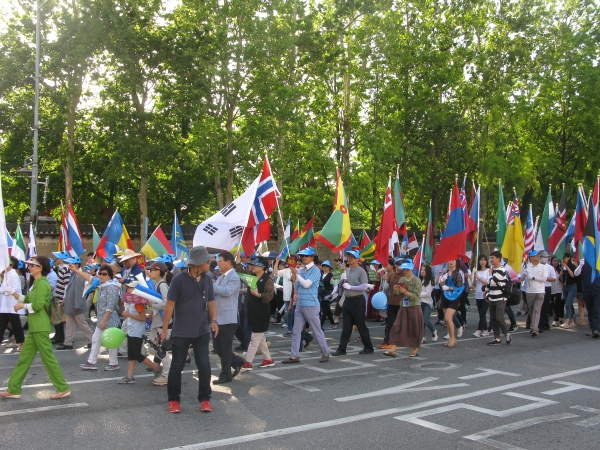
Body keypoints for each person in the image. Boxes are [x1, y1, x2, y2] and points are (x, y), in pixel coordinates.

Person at [0, 256, 70, 399]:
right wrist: (12, 292)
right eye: (29, 265)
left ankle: (63, 387)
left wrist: (22, 306)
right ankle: (13, 388)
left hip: (40, 326)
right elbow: (27, 299)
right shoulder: (37, 283)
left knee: (48, 359)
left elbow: (37, 305)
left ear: (40, 268)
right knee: (24, 359)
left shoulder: (42, 283)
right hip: (34, 327)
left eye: (32, 265)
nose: (29, 267)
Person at [160, 246, 218, 414]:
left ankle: (205, 399)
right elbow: (170, 305)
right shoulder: (178, 280)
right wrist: (165, 328)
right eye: (208, 261)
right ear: (198, 263)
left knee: (205, 366)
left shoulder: (207, 279)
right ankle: (173, 400)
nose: (210, 263)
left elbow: (212, 301)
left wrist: (213, 320)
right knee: (177, 366)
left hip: (202, 329)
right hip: (181, 330)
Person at [282, 247, 330, 364]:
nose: (303, 258)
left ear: (312, 257)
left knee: (317, 329)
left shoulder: (315, 270)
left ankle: (325, 352)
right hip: (300, 304)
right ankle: (294, 355)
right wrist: (294, 280)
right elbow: (298, 287)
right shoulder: (302, 270)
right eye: (302, 256)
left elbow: (307, 284)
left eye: (306, 256)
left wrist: (296, 276)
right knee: (296, 330)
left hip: (311, 304)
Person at [70, 264, 121, 371]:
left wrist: (104, 321)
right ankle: (92, 362)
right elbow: (89, 277)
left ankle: (114, 363)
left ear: (110, 276)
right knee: (95, 339)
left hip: (110, 320)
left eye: (104, 274)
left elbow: (110, 307)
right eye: (100, 274)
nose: (101, 276)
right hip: (102, 320)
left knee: (111, 342)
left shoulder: (111, 287)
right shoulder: (102, 285)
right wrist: (75, 270)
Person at [118, 280, 161, 384]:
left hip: (137, 332)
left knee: (137, 354)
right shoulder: (132, 302)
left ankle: (156, 368)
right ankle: (129, 376)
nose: (128, 290)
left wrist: (129, 315)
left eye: (130, 288)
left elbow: (142, 318)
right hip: (131, 331)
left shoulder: (138, 303)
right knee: (131, 354)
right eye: (128, 288)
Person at [332, 250, 374, 356]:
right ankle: (342, 349)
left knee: (360, 325)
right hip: (348, 300)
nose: (349, 258)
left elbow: (364, 286)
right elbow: (342, 285)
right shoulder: (347, 271)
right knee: (346, 326)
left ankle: (368, 347)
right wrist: (341, 281)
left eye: (352, 257)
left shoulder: (361, 271)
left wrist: (351, 287)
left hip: (358, 300)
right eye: (348, 256)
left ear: (357, 259)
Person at [211, 251, 244, 384]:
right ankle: (237, 361)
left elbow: (226, 292)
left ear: (228, 262)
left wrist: (211, 285)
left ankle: (226, 374)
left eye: (220, 261)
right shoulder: (221, 277)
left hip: (229, 318)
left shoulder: (234, 277)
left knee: (225, 348)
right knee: (218, 348)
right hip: (218, 317)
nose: (218, 264)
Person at [382, 261, 423, 357]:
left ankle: (415, 348)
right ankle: (393, 349)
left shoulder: (417, 281)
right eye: (404, 269)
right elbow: (398, 294)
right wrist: (396, 291)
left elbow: (415, 296)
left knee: (414, 328)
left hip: (414, 307)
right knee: (397, 326)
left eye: (407, 269)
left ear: (412, 269)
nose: (405, 271)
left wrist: (404, 291)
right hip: (403, 306)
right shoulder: (402, 279)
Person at [241, 257, 275, 370]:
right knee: (260, 338)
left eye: (255, 265)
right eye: (252, 265)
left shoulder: (267, 279)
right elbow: (240, 275)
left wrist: (258, 295)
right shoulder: (252, 278)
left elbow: (269, 296)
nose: (252, 267)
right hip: (252, 311)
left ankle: (248, 362)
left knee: (255, 338)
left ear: (263, 267)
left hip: (261, 313)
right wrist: (237, 262)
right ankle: (268, 359)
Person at [145, 260, 171, 386]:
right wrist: (152, 310)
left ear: (159, 271)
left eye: (153, 270)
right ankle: (165, 371)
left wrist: (152, 305)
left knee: (161, 349)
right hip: (157, 321)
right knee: (152, 347)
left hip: (163, 323)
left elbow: (167, 303)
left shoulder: (162, 285)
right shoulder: (156, 284)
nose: (150, 272)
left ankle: (167, 374)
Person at [57, 256, 92, 350]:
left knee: (82, 324)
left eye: (70, 264)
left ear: (76, 265)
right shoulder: (74, 274)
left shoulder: (79, 275)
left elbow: (79, 291)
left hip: (75, 305)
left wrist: (77, 304)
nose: (69, 266)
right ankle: (68, 342)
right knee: (70, 324)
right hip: (72, 304)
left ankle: (92, 341)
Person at [485, 250, 512, 345]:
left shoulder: (502, 270)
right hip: (492, 297)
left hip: (501, 298)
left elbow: (492, 281)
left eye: (493, 258)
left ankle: (507, 333)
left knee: (499, 317)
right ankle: (497, 338)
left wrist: (490, 274)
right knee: (493, 318)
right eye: (490, 258)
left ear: (498, 259)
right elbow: (489, 284)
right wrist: (486, 292)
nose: (491, 260)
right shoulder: (493, 270)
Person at [520, 249, 548, 336]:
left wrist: (533, 277)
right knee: (531, 310)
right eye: (536, 255)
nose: (539, 256)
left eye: (539, 255)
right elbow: (521, 279)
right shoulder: (527, 266)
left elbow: (544, 279)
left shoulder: (543, 267)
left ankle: (535, 329)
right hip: (530, 291)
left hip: (540, 291)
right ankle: (534, 326)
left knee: (537, 310)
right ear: (531, 257)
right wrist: (524, 274)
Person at [0, 257, 26, 351]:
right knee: (1, 324)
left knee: (16, 325)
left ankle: (22, 343)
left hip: (12, 305)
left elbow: (16, 289)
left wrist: (7, 291)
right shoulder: (6, 274)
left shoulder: (13, 275)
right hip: (4, 305)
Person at [438, 259, 464, 348]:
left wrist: (448, 287)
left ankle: (453, 338)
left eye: (453, 260)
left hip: (454, 298)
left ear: (456, 262)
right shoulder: (445, 273)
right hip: (445, 297)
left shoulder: (458, 274)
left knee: (448, 318)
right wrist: (442, 280)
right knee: (448, 320)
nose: (451, 262)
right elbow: (440, 285)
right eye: (449, 260)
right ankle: (451, 339)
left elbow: (459, 288)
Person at [50, 251, 71, 345]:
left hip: (61, 296)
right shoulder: (62, 268)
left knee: (60, 317)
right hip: (59, 295)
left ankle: (61, 337)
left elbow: (67, 284)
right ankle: (59, 336)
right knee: (58, 317)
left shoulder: (65, 269)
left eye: (58, 258)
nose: (56, 259)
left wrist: (64, 297)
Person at [473, 255, 491, 338]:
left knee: (483, 313)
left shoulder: (488, 271)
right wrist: (474, 277)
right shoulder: (477, 272)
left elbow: (488, 283)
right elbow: (473, 285)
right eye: (481, 260)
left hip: (486, 295)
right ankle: (486, 329)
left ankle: (479, 330)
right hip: (478, 295)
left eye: (484, 260)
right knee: (481, 314)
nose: (483, 262)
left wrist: (479, 278)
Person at [419, 264, 437, 343]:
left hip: (427, 303)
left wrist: (417, 294)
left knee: (426, 320)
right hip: (419, 303)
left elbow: (427, 293)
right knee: (420, 321)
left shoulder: (430, 282)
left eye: (424, 270)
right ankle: (422, 336)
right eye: (422, 270)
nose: (422, 271)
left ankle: (434, 331)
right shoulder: (420, 280)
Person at [318, 260, 336, 328]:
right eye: (323, 266)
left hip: (327, 294)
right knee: (327, 309)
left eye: (326, 266)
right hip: (320, 294)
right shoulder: (320, 274)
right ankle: (332, 323)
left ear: (329, 267)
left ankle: (320, 326)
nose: (325, 268)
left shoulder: (332, 276)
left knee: (324, 310)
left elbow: (336, 285)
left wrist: (332, 293)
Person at [550, 256, 564, 327]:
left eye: (556, 261)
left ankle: (556, 320)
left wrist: (561, 275)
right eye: (554, 261)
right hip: (552, 290)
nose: (555, 262)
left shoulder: (560, 270)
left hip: (559, 290)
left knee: (557, 305)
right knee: (553, 305)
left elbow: (562, 280)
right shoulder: (549, 269)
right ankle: (559, 318)